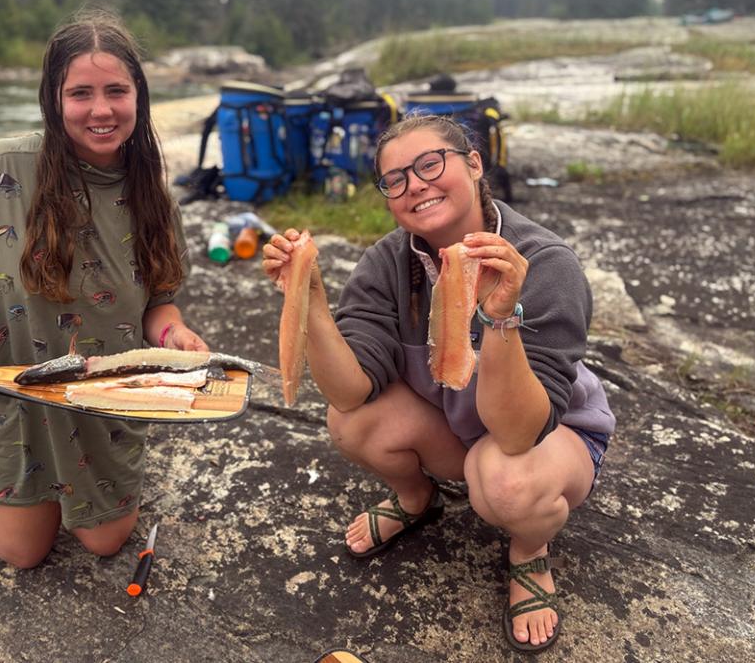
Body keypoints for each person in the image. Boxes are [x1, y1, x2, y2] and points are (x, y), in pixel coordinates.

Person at [261, 114, 615, 652]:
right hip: (458, 429)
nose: (416, 185)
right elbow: (351, 390)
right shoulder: (386, 263)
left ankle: (528, 551)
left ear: (473, 163)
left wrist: (500, 319)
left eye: (430, 163)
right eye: (396, 179)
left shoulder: (544, 263)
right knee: (351, 421)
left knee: (506, 481)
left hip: (547, 442)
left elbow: (520, 433)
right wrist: (308, 301)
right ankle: (416, 497)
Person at [0, 8, 206, 569]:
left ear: (139, 97)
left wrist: (175, 332)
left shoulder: (154, 195)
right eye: (81, 93)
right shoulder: (2, 168)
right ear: (53, 98)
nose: (101, 110)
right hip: (15, 389)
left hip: (104, 395)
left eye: (116, 91)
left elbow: (159, 299)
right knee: (23, 553)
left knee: (105, 541)